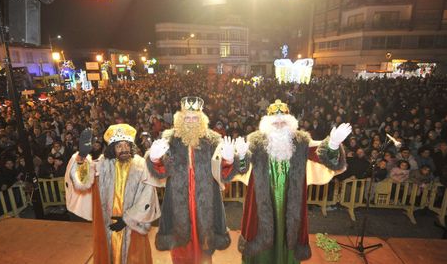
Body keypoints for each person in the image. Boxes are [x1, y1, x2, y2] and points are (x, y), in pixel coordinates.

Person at [237, 100, 350, 264]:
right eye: (275, 120)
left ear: (290, 122)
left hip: (291, 202)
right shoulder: (255, 142)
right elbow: (242, 168)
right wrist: (240, 156)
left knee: (288, 232)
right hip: (261, 202)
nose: (279, 123)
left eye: (283, 120)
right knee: (259, 232)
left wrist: (332, 144)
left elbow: (321, 156)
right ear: (267, 123)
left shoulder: (301, 142)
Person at [146, 96, 247, 264]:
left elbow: (223, 174)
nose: (191, 121)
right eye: (187, 117)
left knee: (204, 247)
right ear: (180, 119)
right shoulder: (170, 140)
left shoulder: (213, 140)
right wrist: (154, 159)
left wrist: (229, 160)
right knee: (179, 248)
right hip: (178, 203)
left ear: (201, 119)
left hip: (206, 203)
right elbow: (162, 171)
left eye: (195, 117)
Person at [66, 124, 160, 264]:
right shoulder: (102, 164)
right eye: (119, 146)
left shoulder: (141, 166)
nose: (124, 149)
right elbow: (82, 181)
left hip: (133, 226)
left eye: (126, 145)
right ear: (112, 149)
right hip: (108, 225)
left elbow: (148, 197)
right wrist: (81, 156)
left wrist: (127, 220)